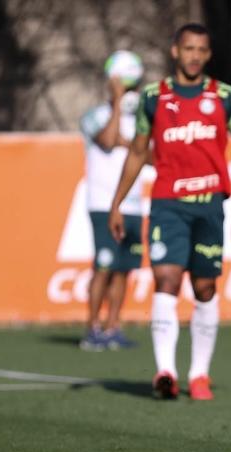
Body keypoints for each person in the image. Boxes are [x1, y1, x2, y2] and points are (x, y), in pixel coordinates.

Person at [109, 23, 231, 400]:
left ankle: (199, 374)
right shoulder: (154, 97)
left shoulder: (224, 97)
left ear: (208, 54)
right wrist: (117, 202)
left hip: (210, 205)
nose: (195, 56)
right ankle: (165, 371)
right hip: (168, 203)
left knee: (204, 287)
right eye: (188, 49)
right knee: (167, 279)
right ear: (175, 51)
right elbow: (138, 152)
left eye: (201, 50)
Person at [79, 51, 146, 352]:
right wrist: (117, 102)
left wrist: (129, 141)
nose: (129, 92)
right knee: (104, 266)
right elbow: (107, 139)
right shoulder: (95, 116)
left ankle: (112, 328)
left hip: (133, 205)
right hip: (103, 203)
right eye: (124, 87)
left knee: (124, 268)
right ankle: (92, 329)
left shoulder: (141, 122)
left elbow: (151, 155)